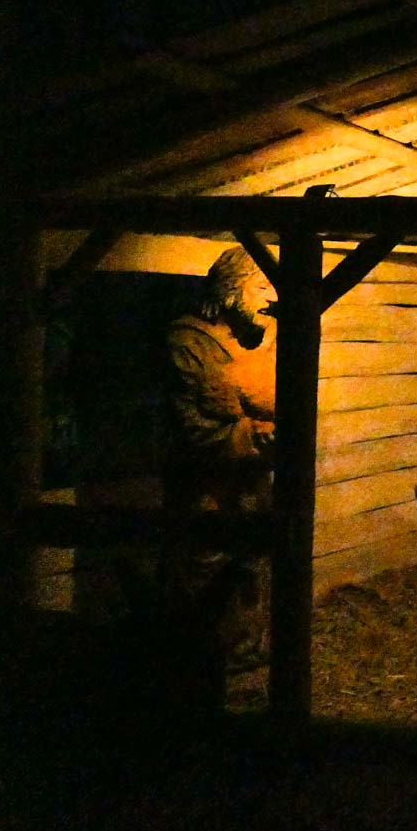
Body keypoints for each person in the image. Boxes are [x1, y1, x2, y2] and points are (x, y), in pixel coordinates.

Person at [163, 245, 277, 664]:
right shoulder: (188, 342)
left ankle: (247, 653)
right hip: (207, 488)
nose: (272, 297)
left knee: (253, 567)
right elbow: (194, 428)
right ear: (230, 290)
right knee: (203, 568)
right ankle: (194, 663)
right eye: (261, 287)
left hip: (252, 486)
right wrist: (252, 433)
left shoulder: (266, 339)